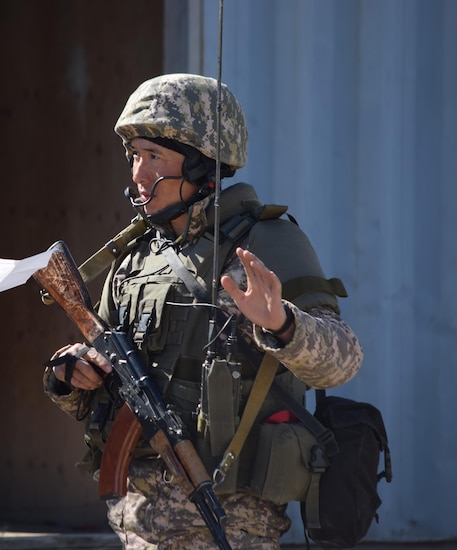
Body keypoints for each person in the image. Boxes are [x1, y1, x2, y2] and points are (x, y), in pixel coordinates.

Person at [43, 73, 363, 549]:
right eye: (134, 156)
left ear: (200, 162)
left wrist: (282, 324)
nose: (138, 172)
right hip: (138, 525)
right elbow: (99, 383)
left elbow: (344, 361)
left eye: (154, 156)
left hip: (233, 524)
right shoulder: (134, 258)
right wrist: (70, 376)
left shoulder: (267, 242)